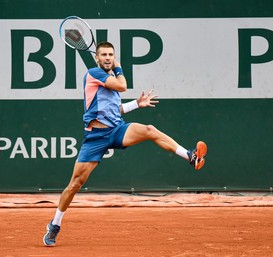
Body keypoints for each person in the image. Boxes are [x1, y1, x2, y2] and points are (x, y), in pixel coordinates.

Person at [43, 41, 207, 246]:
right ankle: (55, 224)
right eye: (103, 54)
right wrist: (119, 68)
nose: (107, 58)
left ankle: (190, 156)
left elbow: (114, 110)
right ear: (97, 58)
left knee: (150, 130)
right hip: (95, 137)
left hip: (117, 129)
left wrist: (136, 104)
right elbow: (123, 85)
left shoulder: (109, 78)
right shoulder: (94, 73)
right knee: (75, 184)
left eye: (111, 54)